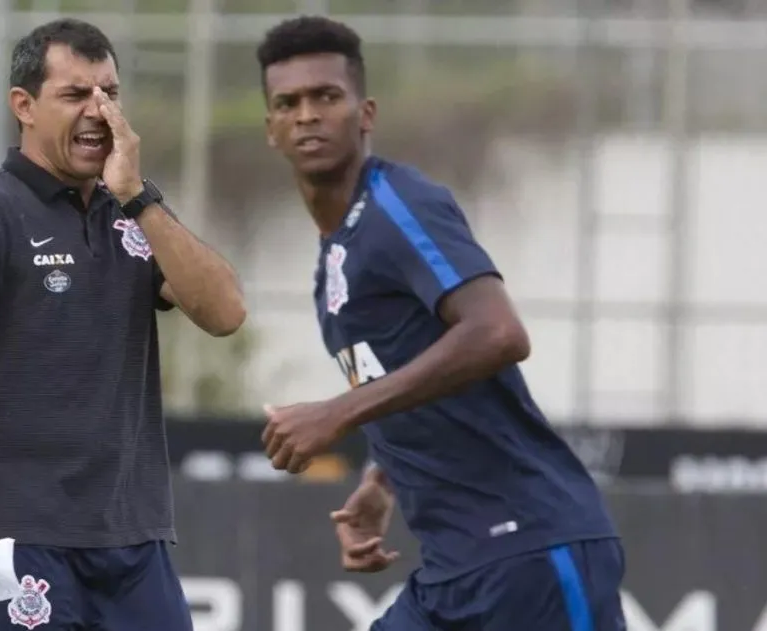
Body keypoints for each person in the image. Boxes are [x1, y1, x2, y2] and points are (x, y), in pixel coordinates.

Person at [255, 15, 626, 631]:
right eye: (287, 103)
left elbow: (498, 334)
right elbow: (417, 373)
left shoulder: (398, 206)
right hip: (453, 570)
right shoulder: (333, 261)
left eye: (327, 96)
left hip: (532, 551)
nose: (307, 114)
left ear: (364, 112)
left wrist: (335, 413)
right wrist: (382, 480)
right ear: (270, 127)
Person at [0, 18, 245, 631]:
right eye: (75, 94)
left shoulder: (133, 212)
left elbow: (225, 313)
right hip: (20, 540)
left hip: (134, 541)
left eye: (109, 93)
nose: (98, 111)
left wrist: (137, 195)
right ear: (23, 106)